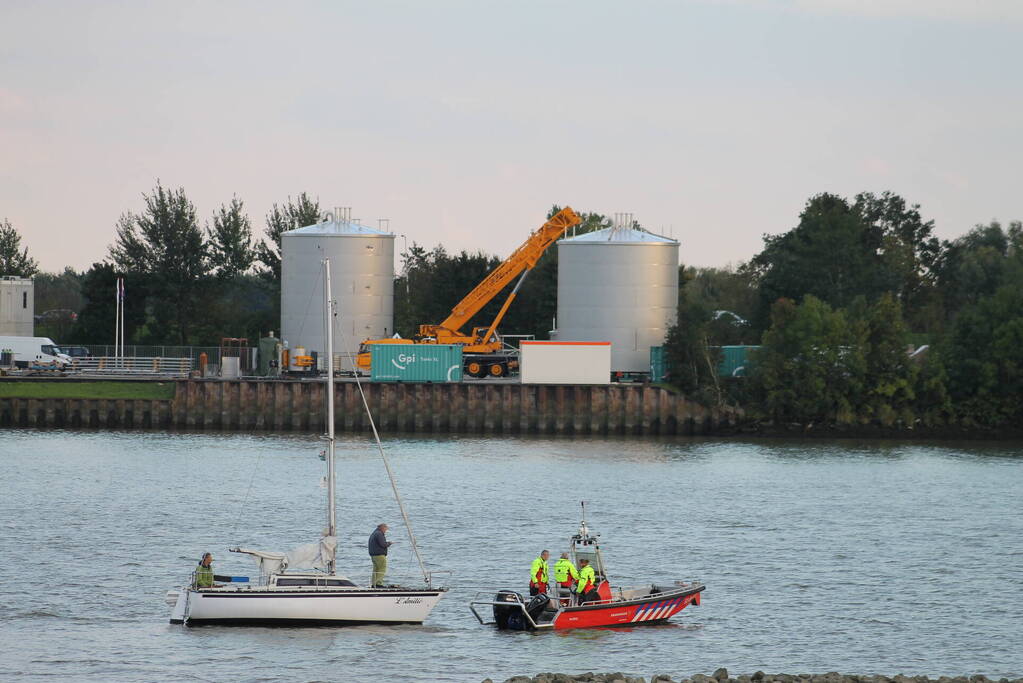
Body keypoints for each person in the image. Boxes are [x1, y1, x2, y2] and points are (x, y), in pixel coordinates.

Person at [368, 523, 393, 587]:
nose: (385, 531)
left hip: (373, 555)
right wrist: (389, 543)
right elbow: (383, 544)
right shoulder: (379, 534)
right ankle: (378, 583)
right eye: (385, 529)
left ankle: (374, 584)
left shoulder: (374, 533)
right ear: (382, 528)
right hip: (379, 555)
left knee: (375, 570)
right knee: (382, 569)